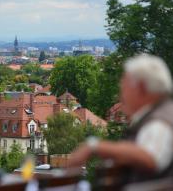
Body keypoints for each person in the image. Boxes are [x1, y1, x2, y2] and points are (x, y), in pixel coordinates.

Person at [67, 54, 173, 183]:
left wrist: (94, 147)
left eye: (124, 87)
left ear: (141, 87)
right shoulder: (163, 112)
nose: (120, 94)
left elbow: (150, 158)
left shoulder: (159, 121)